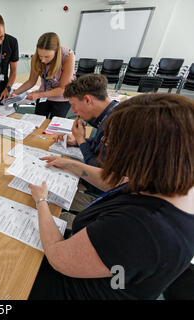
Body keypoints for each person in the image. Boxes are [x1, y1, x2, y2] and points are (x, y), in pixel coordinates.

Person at [26, 93, 194, 299]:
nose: (104, 142)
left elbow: (57, 257)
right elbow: (117, 182)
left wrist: (41, 201)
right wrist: (72, 165)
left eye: (111, 139)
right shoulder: (173, 182)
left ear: (143, 152)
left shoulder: (140, 226)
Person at [55, 74, 119, 167]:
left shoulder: (115, 124)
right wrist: (77, 141)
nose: (73, 111)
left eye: (73, 105)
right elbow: (97, 143)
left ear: (87, 100)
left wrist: (80, 139)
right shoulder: (111, 112)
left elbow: (97, 169)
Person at [12, 32, 75, 118]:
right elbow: (31, 81)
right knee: (37, 121)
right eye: (40, 56)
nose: (42, 60)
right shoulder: (35, 58)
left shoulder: (67, 56)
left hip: (61, 97)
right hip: (43, 95)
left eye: (47, 57)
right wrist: (14, 94)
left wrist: (38, 95)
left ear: (56, 51)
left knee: (53, 126)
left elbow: (63, 89)